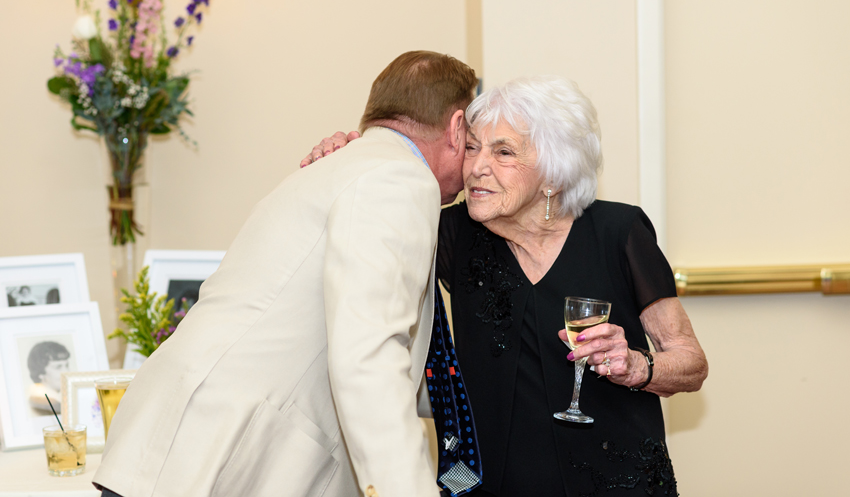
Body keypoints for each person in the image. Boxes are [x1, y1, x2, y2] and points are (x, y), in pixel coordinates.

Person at [93, 50, 477, 497]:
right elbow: (368, 357)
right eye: (473, 142)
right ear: (455, 128)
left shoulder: (348, 168)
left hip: (177, 446)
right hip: (224, 457)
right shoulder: (398, 180)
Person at [306, 76, 708, 496]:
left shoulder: (618, 232)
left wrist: (638, 366)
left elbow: (691, 363)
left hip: (616, 481)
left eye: (504, 152)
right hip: (493, 483)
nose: (477, 166)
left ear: (554, 173)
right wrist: (351, 160)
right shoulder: (453, 234)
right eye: (473, 147)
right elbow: (368, 222)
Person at [27, 341, 71, 412]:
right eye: (58, 367)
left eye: (67, 365)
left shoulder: (66, 401)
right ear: (40, 373)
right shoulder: (39, 406)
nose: (67, 372)